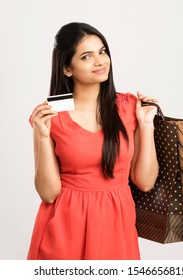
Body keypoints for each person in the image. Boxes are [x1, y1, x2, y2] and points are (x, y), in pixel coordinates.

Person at [27, 22, 159, 260]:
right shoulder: (49, 114)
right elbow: (48, 194)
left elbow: (145, 182)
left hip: (116, 226)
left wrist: (147, 124)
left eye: (102, 51)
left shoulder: (129, 107)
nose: (100, 61)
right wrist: (43, 135)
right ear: (67, 68)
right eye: (87, 57)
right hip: (65, 228)